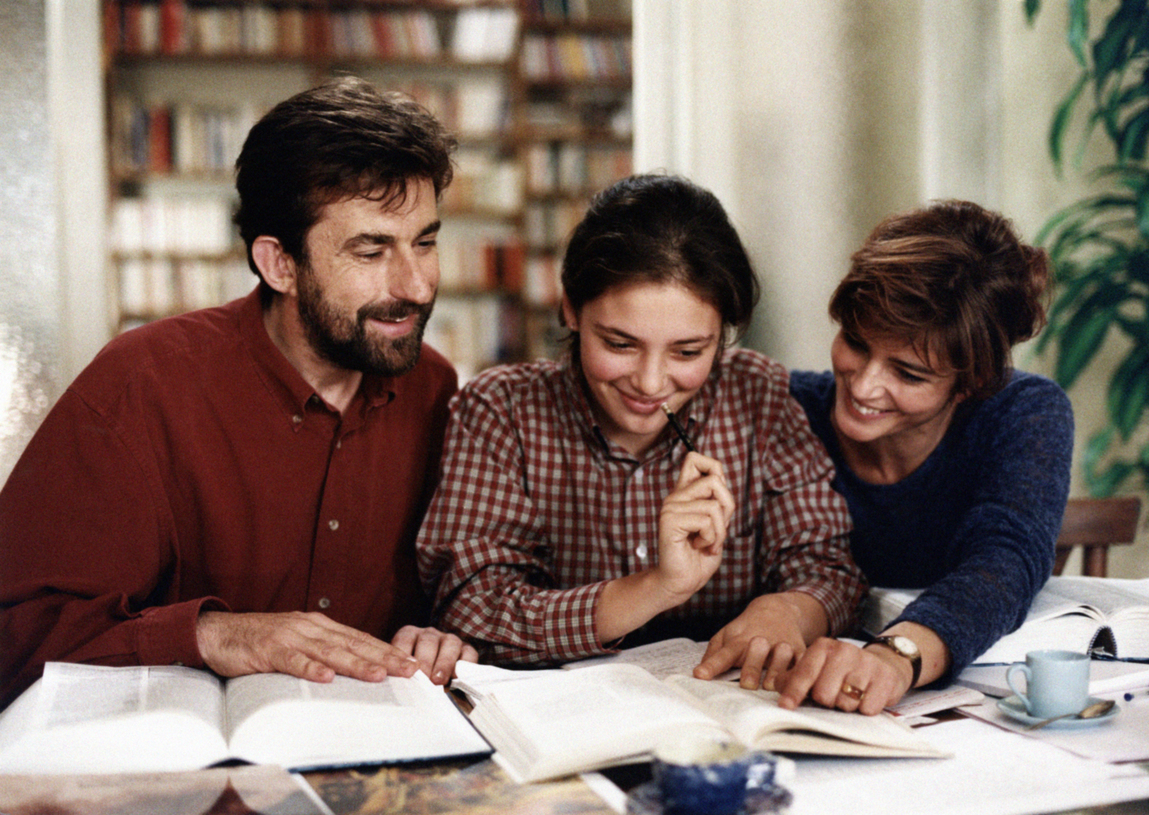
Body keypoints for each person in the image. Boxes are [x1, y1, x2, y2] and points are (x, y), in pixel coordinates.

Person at [0, 76, 477, 709]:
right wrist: (214, 634)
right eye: (371, 251)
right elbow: (16, 628)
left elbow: (459, 588)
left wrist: (440, 636)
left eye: (426, 241)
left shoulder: (437, 388)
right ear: (279, 264)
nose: (417, 286)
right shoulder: (140, 384)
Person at [416, 174, 867, 689]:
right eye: (620, 344)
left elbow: (829, 568)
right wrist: (657, 587)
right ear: (570, 308)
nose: (651, 383)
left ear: (723, 337)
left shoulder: (760, 396)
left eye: (688, 352)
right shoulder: (501, 409)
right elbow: (471, 607)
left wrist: (789, 611)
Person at [777, 200, 1074, 715]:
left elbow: (1003, 561)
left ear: (972, 384)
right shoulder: (782, 406)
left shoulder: (1023, 411)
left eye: (909, 374)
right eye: (855, 342)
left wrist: (896, 657)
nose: (865, 384)